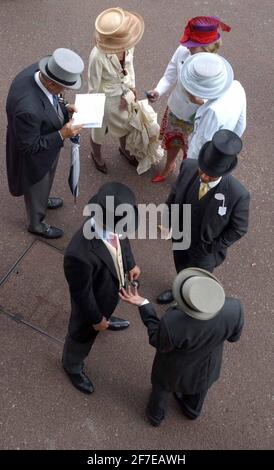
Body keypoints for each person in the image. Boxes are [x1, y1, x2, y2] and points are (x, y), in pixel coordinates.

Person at [120, 268, 244, 426]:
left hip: (173, 370)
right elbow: (234, 338)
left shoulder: (173, 322)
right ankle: (192, 411)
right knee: (200, 388)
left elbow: (157, 340)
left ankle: (155, 417)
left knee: (162, 390)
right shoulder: (234, 308)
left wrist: (144, 304)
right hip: (208, 366)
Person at [62, 182, 141, 394]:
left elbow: (122, 241)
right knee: (82, 334)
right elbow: (82, 295)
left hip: (107, 293)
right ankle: (72, 365)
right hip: (90, 309)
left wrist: (131, 263)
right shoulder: (78, 254)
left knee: (105, 310)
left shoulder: (112, 223)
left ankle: (106, 316)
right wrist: (96, 320)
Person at [157, 129, 250, 305]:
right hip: (181, 236)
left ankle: (188, 302)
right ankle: (178, 290)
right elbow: (175, 194)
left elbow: (239, 229)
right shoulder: (188, 167)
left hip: (205, 250)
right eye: (203, 170)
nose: (205, 176)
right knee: (181, 265)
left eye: (211, 175)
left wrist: (213, 247)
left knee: (198, 279)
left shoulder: (238, 195)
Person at [6, 48, 84, 238]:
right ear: (49, 82)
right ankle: (36, 224)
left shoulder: (42, 71)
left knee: (46, 178)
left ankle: (42, 200)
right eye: (63, 87)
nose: (65, 91)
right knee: (37, 182)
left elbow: (52, 99)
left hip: (48, 143)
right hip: (33, 157)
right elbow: (29, 147)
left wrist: (64, 108)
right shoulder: (28, 109)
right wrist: (62, 134)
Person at [146, 16, 231, 182]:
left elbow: (218, 102)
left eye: (193, 45)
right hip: (177, 109)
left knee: (192, 151)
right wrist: (158, 91)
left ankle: (185, 177)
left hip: (198, 119)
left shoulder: (218, 69)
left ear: (208, 48)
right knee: (173, 143)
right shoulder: (182, 50)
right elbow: (169, 75)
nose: (187, 47)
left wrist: (199, 101)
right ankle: (169, 166)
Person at [88, 7, 144, 173]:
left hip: (125, 95)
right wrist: (94, 110)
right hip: (106, 100)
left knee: (126, 125)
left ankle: (124, 150)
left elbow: (130, 67)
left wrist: (132, 87)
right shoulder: (97, 56)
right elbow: (93, 84)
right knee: (98, 130)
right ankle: (96, 155)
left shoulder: (128, 45)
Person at [180, 52, 246, 160]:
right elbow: (241, 125)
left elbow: (198, 147)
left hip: (204, 160)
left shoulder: (212, 112)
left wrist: (189, 164)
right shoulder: (237, 87)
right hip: (221, 151)